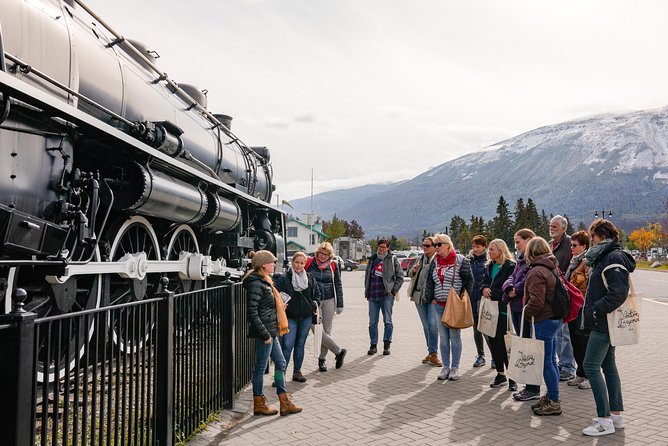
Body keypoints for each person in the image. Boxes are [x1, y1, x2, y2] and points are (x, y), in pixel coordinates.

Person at [581, 219, 635, 436]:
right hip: (606, 321)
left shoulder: (612, 257)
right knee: (608, 366)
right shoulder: (607, 256)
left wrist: (596, 309)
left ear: (601, 236)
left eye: (592, 237)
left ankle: (604, 420)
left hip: (603, 322)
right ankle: (615, 416)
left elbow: (618, 292)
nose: (590, 241)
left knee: (590, 366)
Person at [244, 250, 302, 416]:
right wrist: (265, 334)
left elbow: (265, 307)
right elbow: (252, 312)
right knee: (260, 368)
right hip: (266, 333)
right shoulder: (256, 284)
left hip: (271, 330)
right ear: (263, 264)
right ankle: (259, 403)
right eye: (272, 262)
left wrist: (278, 307)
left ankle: (284, 402)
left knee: (281, 363)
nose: (275, 264)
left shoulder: (265, 281)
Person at [424, 234, 473, 381]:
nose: (436, 247)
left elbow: (469, 281)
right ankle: (445, 367)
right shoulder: (435, 261)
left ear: (447, 245)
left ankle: (455, 367)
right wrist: (431, 296)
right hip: (438, 305)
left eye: (438, 244)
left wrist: (463, 298)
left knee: (454, 337)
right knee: (443, 338)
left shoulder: (460, 260)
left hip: (454, 306)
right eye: (435, 244)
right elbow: (430, 281)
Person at [523, 237, 562, 416]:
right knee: (552, 360)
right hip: (554, 317)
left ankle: (554, 400)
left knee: (546, 362)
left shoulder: (536, 271)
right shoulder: (552, 266)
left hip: (543, 319)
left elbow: (537, 301)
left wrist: (526, 311)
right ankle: (552, 396)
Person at [503, 228, 541, 402]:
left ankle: (533, 388)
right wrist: (509, 287)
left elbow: (527, 280)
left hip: (527, 308)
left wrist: (515, 290)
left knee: (528, 347)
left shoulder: (533, 261)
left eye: (519, 241)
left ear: (529, 240)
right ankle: (528, 386)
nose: (516, 245)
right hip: (517, 307)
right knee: (522, 344)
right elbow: (512, 277)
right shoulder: (520, 260)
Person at [274, 252, 320, 383]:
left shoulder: (310, 278)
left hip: (306, 317)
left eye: (301, 263)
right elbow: (277, 296)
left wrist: (313, 304)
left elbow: (317, 295)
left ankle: (297, 372)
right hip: (290, 317)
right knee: (287, 346)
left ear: (305, 264)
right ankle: (279, 376)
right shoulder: (284, 278)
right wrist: (283, 305)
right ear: (292, 262)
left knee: (300, 345)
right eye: (296, 262)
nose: (299, 265)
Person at [480, 239, 517, 390]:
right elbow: (482, 282)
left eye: (492, 250)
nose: (489, 252)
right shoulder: (489, 266)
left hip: (503, 309)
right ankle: (500, 374)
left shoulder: (510, 266)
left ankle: (512, 377)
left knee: (506, 344)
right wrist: (483, 289)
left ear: (501, 250)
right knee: (494, 342)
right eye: (489, 249)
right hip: (490, 310)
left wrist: (493, 292)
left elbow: (508, 287)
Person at [306, 242, 347, 372]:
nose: (323, 256)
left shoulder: (333, 265)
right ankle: (338, 351)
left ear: (330, 255)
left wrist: (340, 304)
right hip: (314, 302)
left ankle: (322, 360)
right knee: (317, 330)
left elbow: (338, 285)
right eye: (321, 253)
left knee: (327, 330)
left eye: (326, 254)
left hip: (329, 300)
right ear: (317, 253)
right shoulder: (309, 263)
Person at [364, 238, 404, 355]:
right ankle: (373, 345)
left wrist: (393, 291)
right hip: (373, 295)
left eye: (384, 247)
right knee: (372, 322)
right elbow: (367, 276)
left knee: (387, 321)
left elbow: (400, 277)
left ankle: (387, 345)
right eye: (380, 247)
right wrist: (367, 290)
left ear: (387, 248)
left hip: (387, 296)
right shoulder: (372, 259)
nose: (381, 249)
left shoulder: (392, 259)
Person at [549, 215, 576, 382]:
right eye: (551, 225)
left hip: (566, 293)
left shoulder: (569, 244)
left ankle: (568, 366)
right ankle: (561, 364)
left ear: (564, 228)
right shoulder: (550, 244)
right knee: (557, 332)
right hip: (554, 293)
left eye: (555, 226)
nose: (552, 228)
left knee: (566, 333)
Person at [408, 237, 441, 366]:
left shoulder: (438, 260)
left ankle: (434, 353)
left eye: (427, 246)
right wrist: (414, 270)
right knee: (426, 325)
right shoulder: (420, 259)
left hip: (433, 298)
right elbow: (410, 273)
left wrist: (437, 296)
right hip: (419, 296)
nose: (425, 248)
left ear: (434, 247)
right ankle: (431, 352)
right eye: (424, 245)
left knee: (433, 325)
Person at [565, 230, 591, 390]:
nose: (572, 248)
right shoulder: (574, 261)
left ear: (584, 246)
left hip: (582, 306)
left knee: (584, 342)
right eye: (571, 245)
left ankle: (589, 375)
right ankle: (580, 373)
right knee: (575, 341)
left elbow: (589, 286)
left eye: (575, 245)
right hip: (572, 306)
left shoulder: (587, 262)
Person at [467, 235, 493, 368]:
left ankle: (495, 356)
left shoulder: (489, 260)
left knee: (488, 329)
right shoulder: (469, 260)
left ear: (484, 247)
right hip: (472, 299)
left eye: (478, 246)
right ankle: (480, 355)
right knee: (476, 329)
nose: (475, 249)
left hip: (484, 300)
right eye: (474, 246)